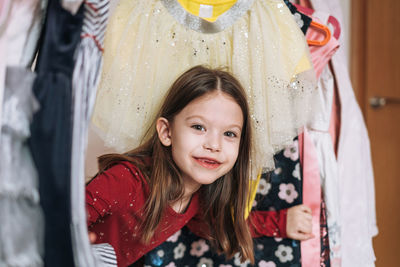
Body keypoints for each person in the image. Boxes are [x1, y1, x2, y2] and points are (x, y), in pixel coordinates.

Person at [86, 65, 313, 267]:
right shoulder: (125, 181)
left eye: (229, 133)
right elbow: (59, 220)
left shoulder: (198, 197)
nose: (214, 145)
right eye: (198, 127)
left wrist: (281, 222)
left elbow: (226, 225)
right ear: (167, 132)